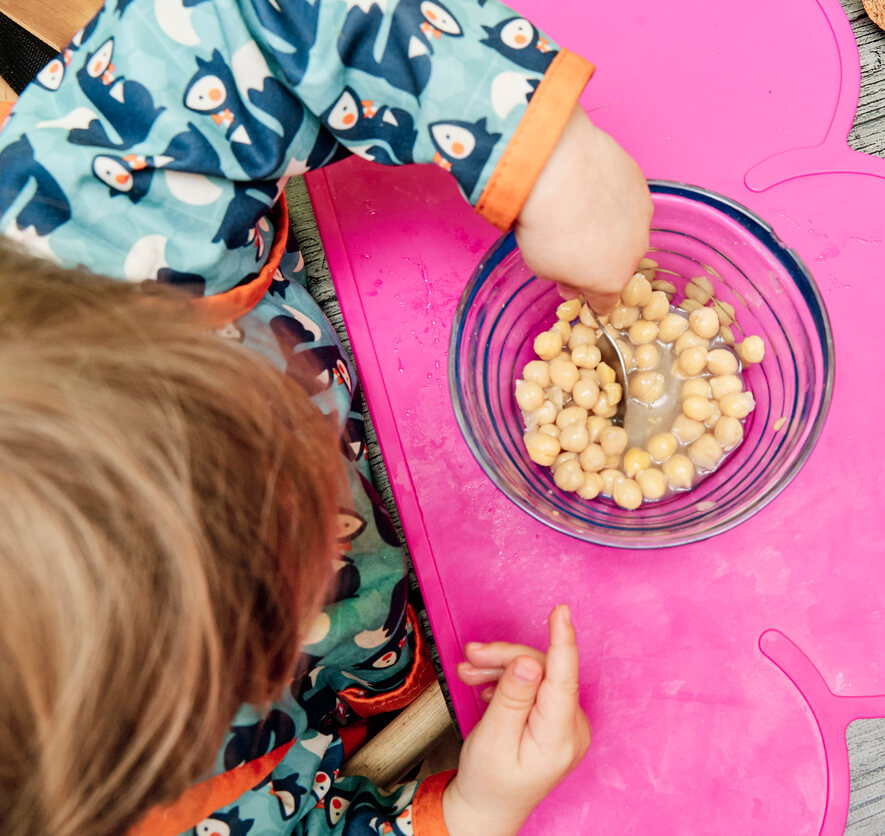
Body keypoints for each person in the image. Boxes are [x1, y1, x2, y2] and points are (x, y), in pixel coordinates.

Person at [0, 0, 653, 832]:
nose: (319, 530)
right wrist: (471, 814)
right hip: (351, 695)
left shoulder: (79, 238)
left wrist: (544, 150)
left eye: (254, 437)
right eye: (263, 609)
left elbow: (245, 21)